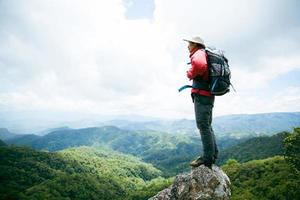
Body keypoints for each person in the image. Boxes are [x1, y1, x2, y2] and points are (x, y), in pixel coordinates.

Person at [183, 36, 218, 168]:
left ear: (195, 44)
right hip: (208, 95)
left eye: (189, 44)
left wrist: (190, 73)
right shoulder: (204, 53)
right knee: (207, 125)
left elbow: (199, 65)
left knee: (203, 126)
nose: (187, 46)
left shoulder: (198, 53)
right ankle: (213, 155)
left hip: (202, 95)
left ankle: (207, 158)